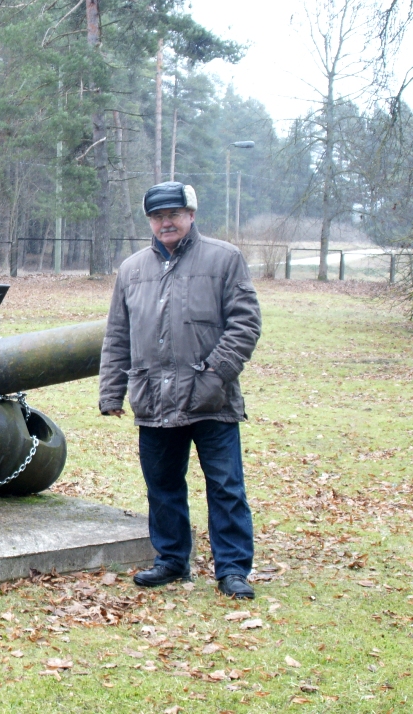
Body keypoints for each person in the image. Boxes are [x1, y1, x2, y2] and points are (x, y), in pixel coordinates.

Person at [99, 181, 262, 599]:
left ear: (191, 215)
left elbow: (245, 325)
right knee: (163, 485)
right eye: (157, 216)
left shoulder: (225, 259)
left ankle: (232, 570)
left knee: (226, 487)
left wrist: (213, 377)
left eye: (173, 214)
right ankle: (171, 560)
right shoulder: (132, 270)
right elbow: (118, 335)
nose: (165, 222)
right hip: (153, 399)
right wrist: (111, 392)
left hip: (213, 400)